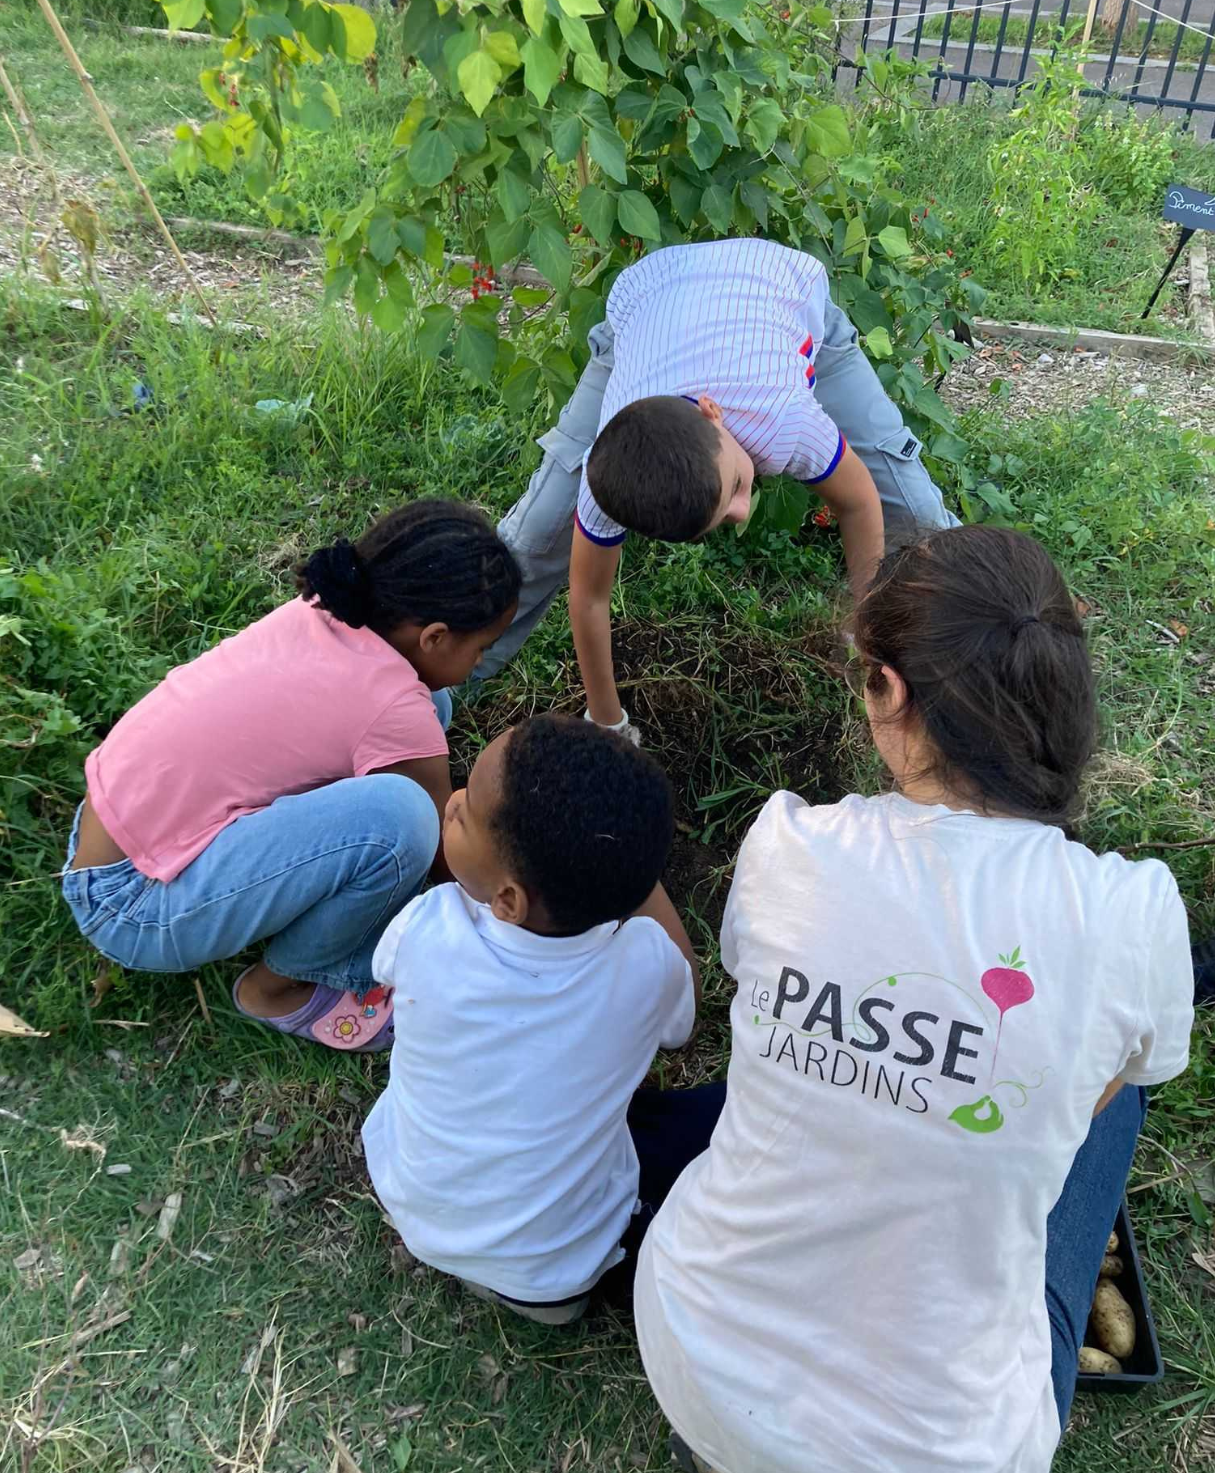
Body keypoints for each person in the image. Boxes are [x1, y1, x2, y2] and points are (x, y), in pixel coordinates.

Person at [631, 525, 1194, 1473]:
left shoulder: (786, 847)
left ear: (886, 688)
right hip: (938, 1450)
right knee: (1119, 1089)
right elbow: (1089, 1095)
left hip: (695, 1346)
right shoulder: (1131, 916)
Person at [61, 500, 520, 1050]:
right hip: (134, 908)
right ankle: (279, 988)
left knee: (433, 710)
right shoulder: (392, 708)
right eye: (481, 649)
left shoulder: (324, 610)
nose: (479, 664)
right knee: (403, 824)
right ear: (435, 637)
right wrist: (514, 917)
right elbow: (449, 855)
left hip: (110, 829)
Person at [480, 237, 957, 739]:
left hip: (778, 291)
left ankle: (962, 697)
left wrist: (866, 630)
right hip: (648, 312)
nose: (742, 510)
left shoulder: (785, 424)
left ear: (713, 414)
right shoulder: (608, 477)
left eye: (733, 485)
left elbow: (857, 502)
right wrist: (606, 721)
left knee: (915, 513)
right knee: (537, 534)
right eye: (724, 512)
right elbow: (590, 597)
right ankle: (433, 685)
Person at [362, 714, 700, 1323]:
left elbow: (388, 975)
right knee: (714, 1114)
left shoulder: (428, 925)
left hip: (411, 1205)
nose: (452, 803)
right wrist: (633, 878)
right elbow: (683, 1024)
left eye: (465, 811)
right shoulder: (646, 968)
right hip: (550, 1283)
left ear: (510, 901)